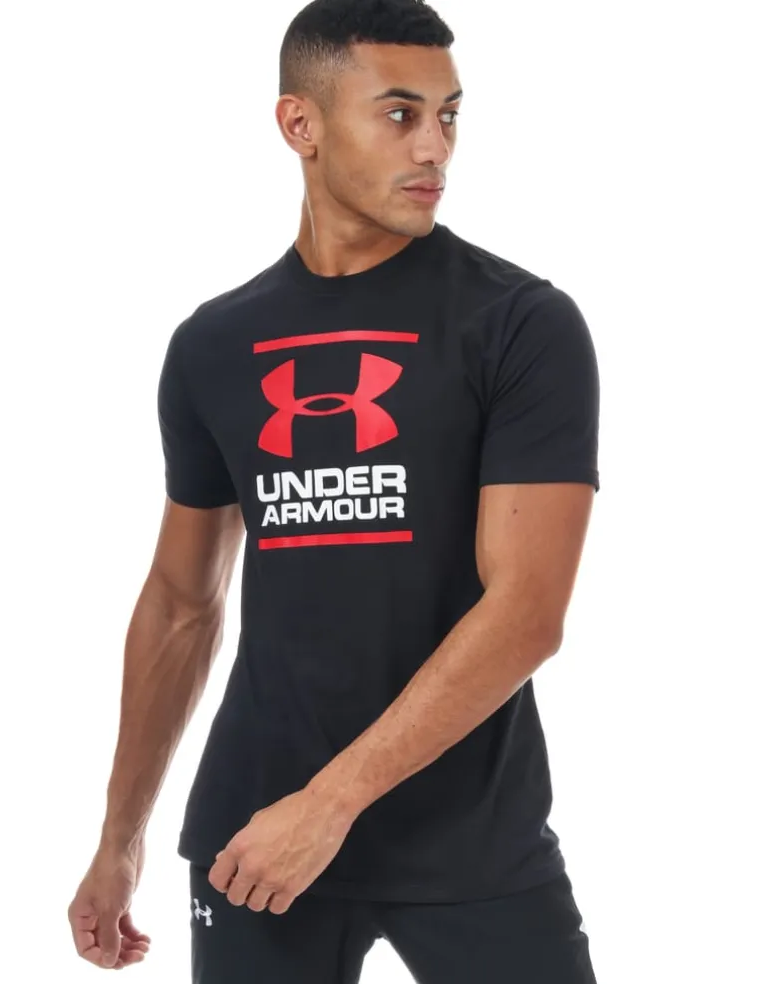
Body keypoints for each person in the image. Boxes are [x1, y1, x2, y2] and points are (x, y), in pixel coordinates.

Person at [67, 0, 602, 980]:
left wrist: (329, 805)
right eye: (400, 114)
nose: (435, 146)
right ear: (299, 124)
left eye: (449, 114)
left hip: (472, 843)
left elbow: (526, 612)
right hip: (253, 844)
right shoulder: (214, 344)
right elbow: (182, 603)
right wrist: (120, 839)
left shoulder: (520, 323)